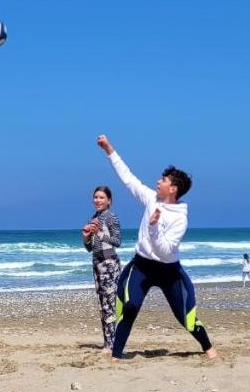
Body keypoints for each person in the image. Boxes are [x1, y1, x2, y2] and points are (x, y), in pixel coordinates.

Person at [95, 134, 217, 360]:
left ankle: (209, 349)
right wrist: (109, 149)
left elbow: (165, 250)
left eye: (163, 179)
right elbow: (129, 179)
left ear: (173, 189)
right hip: (141, 266)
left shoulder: (180, 218)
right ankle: (116, 355)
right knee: (129, 307)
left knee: (185, 317)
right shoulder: (152, 199)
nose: (158, 181)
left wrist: (154, 228)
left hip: (169, 271)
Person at [81, 186, 122, 354]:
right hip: (97, 264)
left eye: (101, 197)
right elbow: (90, 248)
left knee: (110, 304)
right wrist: (86, 237)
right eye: (96, 197)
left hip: (109, 264)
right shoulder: (94, 218)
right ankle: (108, 343)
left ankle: (112, 345)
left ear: (109, 201)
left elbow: (118, 241)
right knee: (102, 305)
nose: (97, 200)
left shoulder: (111, 217)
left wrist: (99, 234)